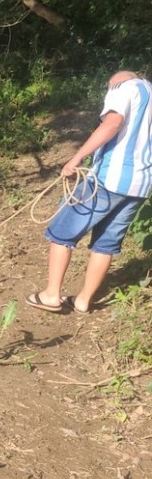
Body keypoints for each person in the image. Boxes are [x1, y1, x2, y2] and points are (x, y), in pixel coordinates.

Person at [26, 71, 152, 314]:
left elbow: (112, 123)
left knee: (62, 232)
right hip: (140, 184)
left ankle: (52, 295)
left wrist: (76, 158)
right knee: (106, 243)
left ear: (115, 82)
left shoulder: (123, 89)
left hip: (109, 179)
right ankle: (83, 300)